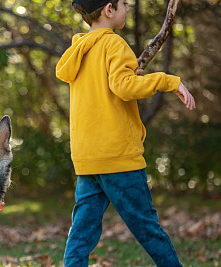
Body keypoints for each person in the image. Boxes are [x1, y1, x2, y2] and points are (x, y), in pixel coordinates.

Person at [55, 0, 195, 266]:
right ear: (109, 9)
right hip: (117, 156)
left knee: (81, 233)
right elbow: (124, 87)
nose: (129, 8)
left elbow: (113, 84)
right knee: (146, 227)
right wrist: (168, 80)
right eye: (125, 4)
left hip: (88, 160)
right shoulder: (114, 44)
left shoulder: (79, 50)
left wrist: (134, 75)